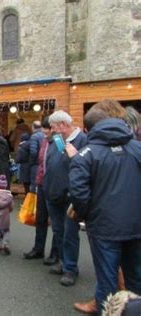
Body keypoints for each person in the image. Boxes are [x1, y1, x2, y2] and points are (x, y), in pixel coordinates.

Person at [69, 106, 141, 313]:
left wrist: (84, 216)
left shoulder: (85, 155)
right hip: (136, 225)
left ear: (87, 128)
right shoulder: (137, 149)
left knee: (107, 278)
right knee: (135, 276)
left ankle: (106, 311)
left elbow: (79, 194)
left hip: (103, 227)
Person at [44, 110, 87, 287]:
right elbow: (50, 163)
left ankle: (70, 268)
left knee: (70, 233)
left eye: (54, 127)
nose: (52, 130)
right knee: (58, 231)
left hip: (71, 195)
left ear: (63, 125)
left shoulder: (83, 140)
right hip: (53, 193)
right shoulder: (56, 140)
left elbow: (86, 168)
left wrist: (75, 157)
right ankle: (62, 261)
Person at [23, 117, 58, 265]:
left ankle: (55, 254)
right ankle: (38, 249)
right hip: (42, 185)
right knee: (40, 218)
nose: (44, 131)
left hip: (54, 186)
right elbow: (40, 164)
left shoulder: (59, 143)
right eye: (44, 128)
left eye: (47, 128)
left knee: (56, 222)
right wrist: (36, 183)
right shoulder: (44, 141)